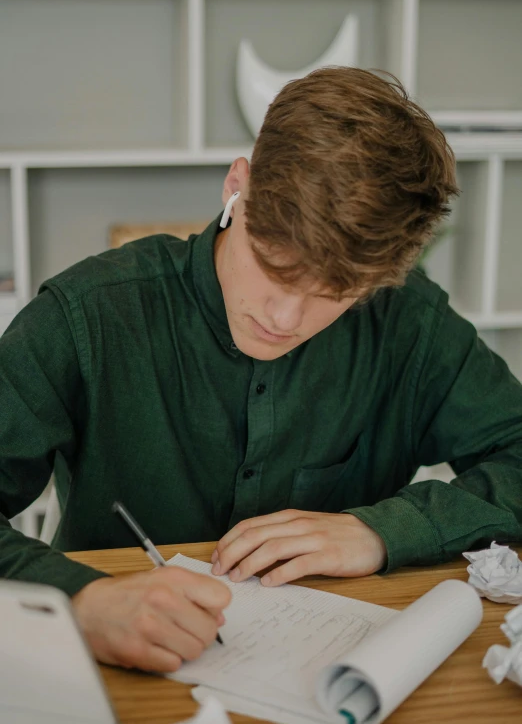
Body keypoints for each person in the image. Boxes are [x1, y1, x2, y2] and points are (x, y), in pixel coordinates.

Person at [1, 68, 521, 674]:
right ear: (236, 185)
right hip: (115, 676)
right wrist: (82, 599)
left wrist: (387, 530)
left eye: (337, 291)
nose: (285, 316)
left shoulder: (408, 322)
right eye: (274, 266)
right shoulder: (87, 315)